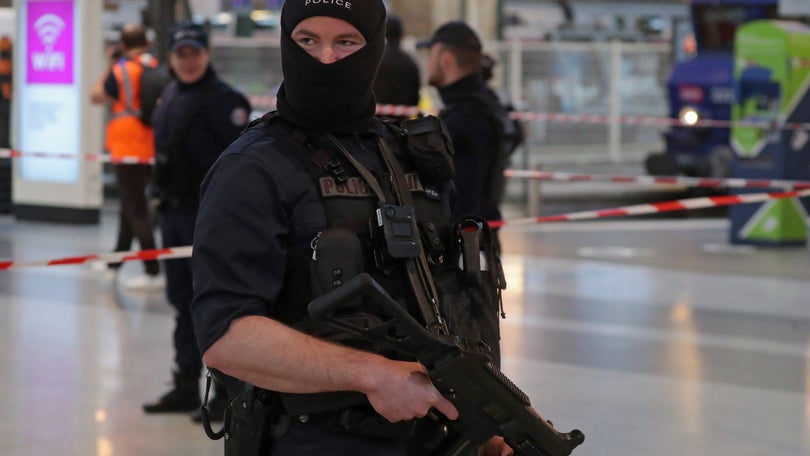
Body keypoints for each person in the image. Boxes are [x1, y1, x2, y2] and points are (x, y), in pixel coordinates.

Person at [190, 1, 511, 455]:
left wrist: (485, 418)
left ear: (374, 49)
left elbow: (448, 297)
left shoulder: (407, 156)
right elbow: (226, 338)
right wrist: (373, 375)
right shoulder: (252, 169)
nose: (325, 59)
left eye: (346, 42)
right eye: (307, 41)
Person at [142, 22, 251, 420]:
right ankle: (186, 382)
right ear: (171, 58)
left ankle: (227, 388)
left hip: (208, 221)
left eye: (194, 53)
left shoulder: (226, 101)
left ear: (207, 55)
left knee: (214, 305)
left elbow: (239, 167)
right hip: (174, 215)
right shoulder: (170, 94)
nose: (188, 61)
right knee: (180, 302)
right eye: (180, 54)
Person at [418, 21, 517, 233]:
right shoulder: (489, 103)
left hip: (464, 244)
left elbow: (462, 197)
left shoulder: (464, 117)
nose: (428, 62)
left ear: (446, 59)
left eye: (431, 54)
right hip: (482, 239)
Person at [90, 24, 164, 290]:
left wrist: (110, 64)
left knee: (137, 211)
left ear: (122, 45)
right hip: (149, 146)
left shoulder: (122, 69)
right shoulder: (155, 66)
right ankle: (114, 265)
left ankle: (152, 270)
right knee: (129, 209)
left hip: (126, 146)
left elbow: (96, 95)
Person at [373, 15, 421, 119]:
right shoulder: (410, 62)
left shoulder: (375, 59)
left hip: (375, 123)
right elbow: (415, 95)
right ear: (401, 34)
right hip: (402, 125)